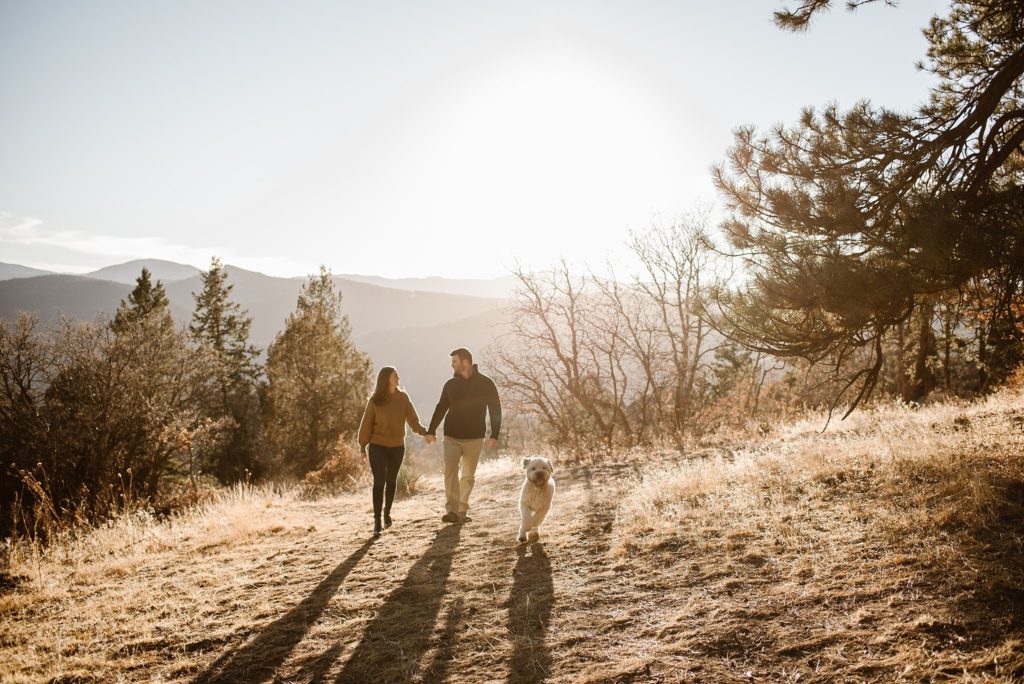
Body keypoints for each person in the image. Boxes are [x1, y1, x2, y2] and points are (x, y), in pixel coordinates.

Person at [425, 347, 501, 524]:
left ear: (465, 362)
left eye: (454, 361)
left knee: (467, 475)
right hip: (451, 436)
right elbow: (441, 407)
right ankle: (451, 510)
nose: (452, 365)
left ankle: (461, 510)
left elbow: (495, 409)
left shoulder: (486, 383)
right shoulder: (450, 385)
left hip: (475, 438)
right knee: (450, 471)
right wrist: (431, 430)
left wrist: (494, 434)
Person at [358, 366, 428, 537]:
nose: (398, 378)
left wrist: (424, 432)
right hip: (377, 446)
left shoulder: (403, 398)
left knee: (391, 481)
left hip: (397, 447)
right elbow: (366, 424)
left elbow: (412, 419)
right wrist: (362, 447)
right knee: (379, 482)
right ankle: (377, 522)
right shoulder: (375, 400)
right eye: (395, 376)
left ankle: (387, 513)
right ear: (387, 379)